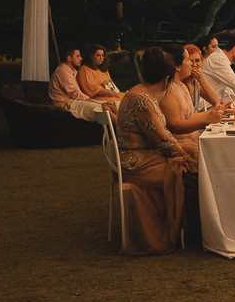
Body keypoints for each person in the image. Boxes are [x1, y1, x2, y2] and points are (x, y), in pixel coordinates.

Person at [115, 47, 197, 255]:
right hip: (135, 163)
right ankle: (190, 229)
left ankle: (190, 227)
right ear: (167, 78)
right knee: (187, 171)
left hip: (141, 155)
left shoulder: (140, 92)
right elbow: (163, 139)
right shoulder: (142, 100)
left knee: (191, 158)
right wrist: (185, 154)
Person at [159, 44, 225, 157]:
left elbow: (189, 115)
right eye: (188, 60)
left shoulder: (180, 85)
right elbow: (174, 125)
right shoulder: (168, 89)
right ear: (177, 66)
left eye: (197, 61)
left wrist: (212, 115)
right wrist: (208, 118)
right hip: (176, 144)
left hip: (190, 138)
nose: (192, 64)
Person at [49, 46, 115, 118]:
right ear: (69, 58)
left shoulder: (73, 71)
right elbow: (75, 93)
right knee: (103, 108)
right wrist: (91, 100)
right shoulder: (63, 71)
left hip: (74, 101)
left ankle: (121, 125)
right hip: (65, 104)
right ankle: (121, 128)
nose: (81, 58)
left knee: (110, 105)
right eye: (78, 56)